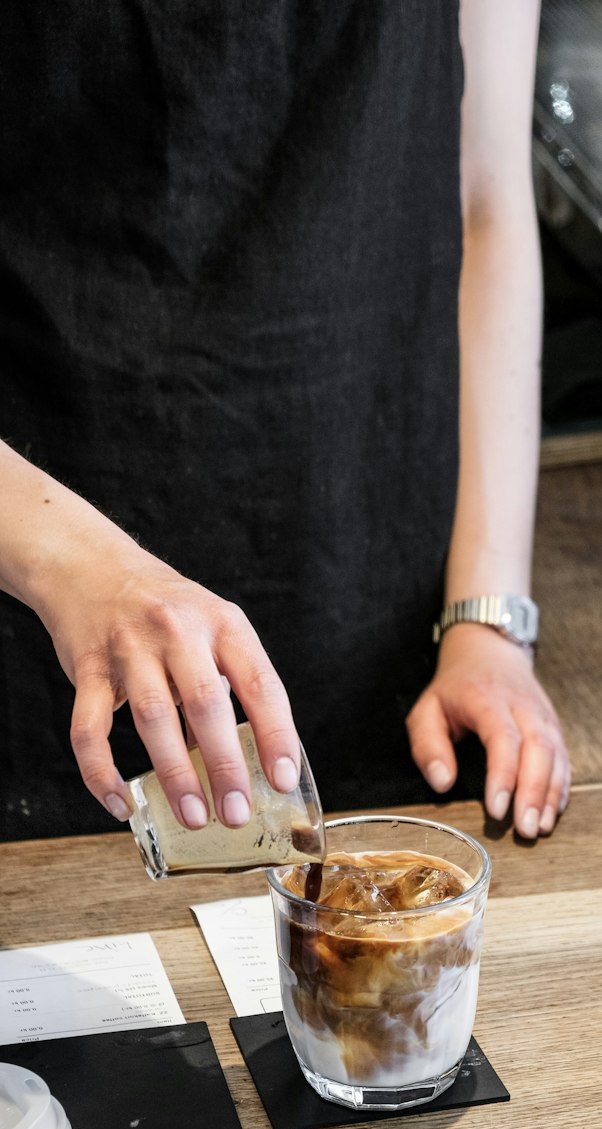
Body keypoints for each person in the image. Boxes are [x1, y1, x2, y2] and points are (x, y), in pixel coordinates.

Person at [0, 0, 570, 845]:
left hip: (380, 638)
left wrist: (487, 621)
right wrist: (68, 562)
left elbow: (483, 194)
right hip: (37, 626)